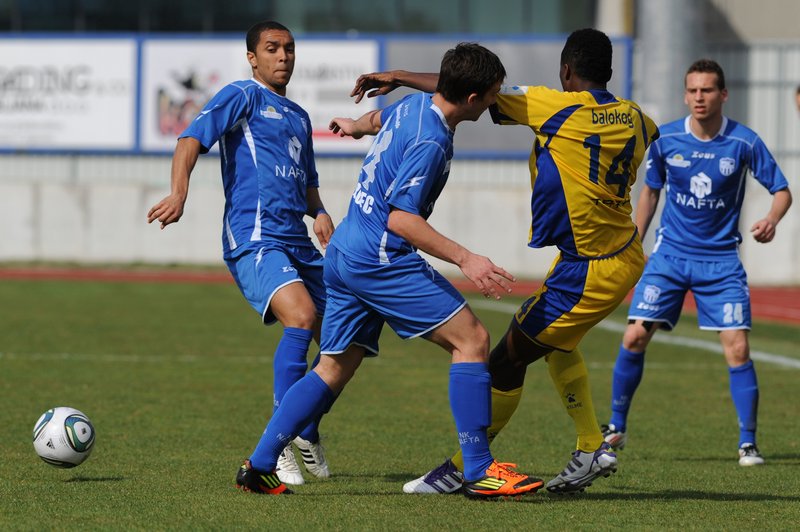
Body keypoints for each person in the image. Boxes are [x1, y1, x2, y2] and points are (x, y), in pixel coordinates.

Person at [349, 28, 660, 494]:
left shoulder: (556, 106)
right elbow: (648, 135)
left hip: (589, 269)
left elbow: (465, 88)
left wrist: (399, 76)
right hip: (617, 253)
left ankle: (462, 469)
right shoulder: (636, 117)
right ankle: (590, 444)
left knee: (504, 361)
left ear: (566, 70)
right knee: (557, 342)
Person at [233, 42, 545, 499]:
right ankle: (479, 470)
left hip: (345, 249)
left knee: (333, 367)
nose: (496, 100)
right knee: (473, 340)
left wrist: (357, 125)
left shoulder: (415, 105)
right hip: (378, 258)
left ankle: (259, 465)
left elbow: (378, 120)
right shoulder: (431, 140)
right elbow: (402, 220)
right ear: (472, 99)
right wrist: (466, 258)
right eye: (494, 93)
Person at [146, 20, 334, 486]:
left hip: (298, 240)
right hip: (256, 237)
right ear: (253, 57)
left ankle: (306, 429)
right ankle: (280, 443)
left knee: (342, 341)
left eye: (289, 48)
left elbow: (307, 182)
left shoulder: (299, 116)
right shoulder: (242, 95)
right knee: (301, 317)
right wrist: (179, 193)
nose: (283, 56)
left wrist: (320, 212)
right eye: (272, 48)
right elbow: (190, 139)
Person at [602, 59, 792, 466]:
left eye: (707, 90)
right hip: (669, 257)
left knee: (738, 348)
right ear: (685, 95)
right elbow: (650, 193)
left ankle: (748, 443)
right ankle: (615, 426)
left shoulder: (744, 142)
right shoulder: (667, 139)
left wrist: (772, 220)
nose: (699, 97)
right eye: (692, 90)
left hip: (721, 262)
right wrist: (635, 242)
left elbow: (782, 190)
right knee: (634, 337)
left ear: (723, 94)